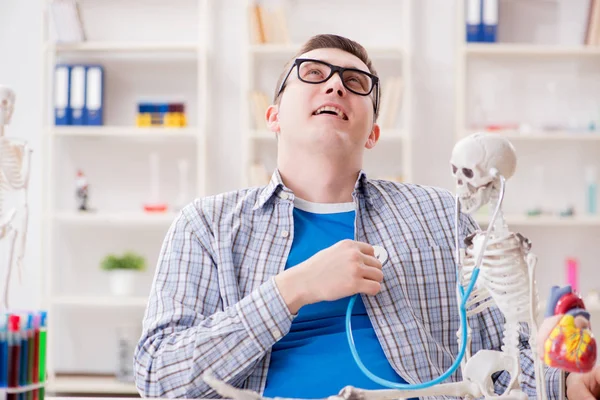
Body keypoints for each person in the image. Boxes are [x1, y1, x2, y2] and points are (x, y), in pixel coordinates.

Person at [133, 34, 600, 399]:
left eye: (356, 83)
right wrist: (293, 289)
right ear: (273, 116)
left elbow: (500, 364)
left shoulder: (440, 215)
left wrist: (563, 384)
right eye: (313, 73)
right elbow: (158, 376)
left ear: (373, 132)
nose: (335, 84)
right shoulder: (208, 226)